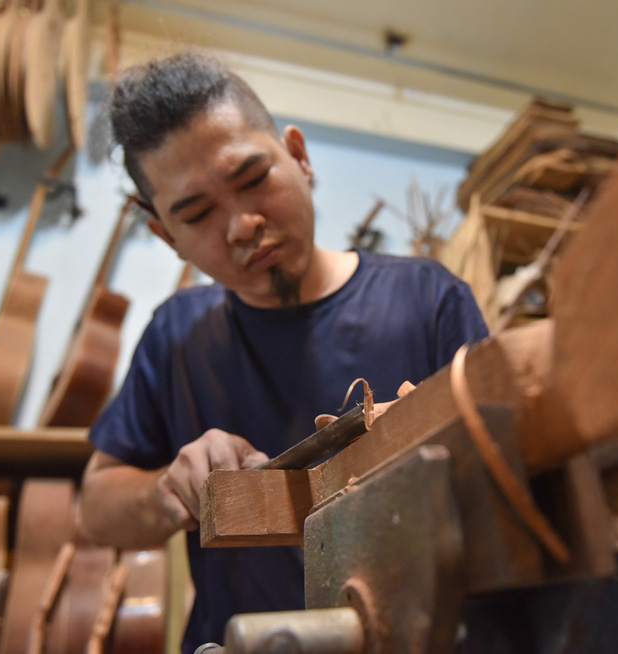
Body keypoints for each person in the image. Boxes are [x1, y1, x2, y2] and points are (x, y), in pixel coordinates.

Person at [78, 51, 489, 652]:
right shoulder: (175, 335)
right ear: (166, 235)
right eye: (196, 214)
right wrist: (170, 490)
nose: (242, 225)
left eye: (252, 179)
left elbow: (505, 472)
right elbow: (94, 507)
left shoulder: (428, 299)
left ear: (298, 156)